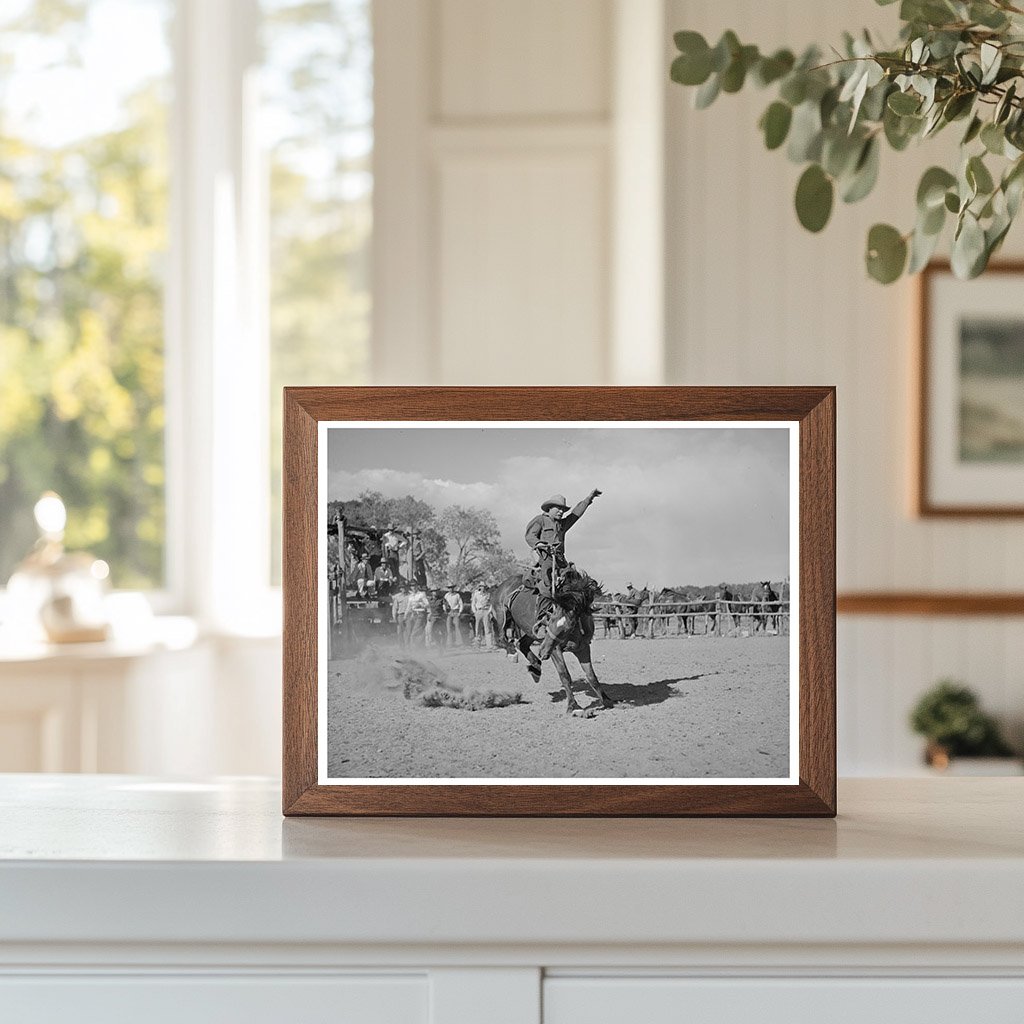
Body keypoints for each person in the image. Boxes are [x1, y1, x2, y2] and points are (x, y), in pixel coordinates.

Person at [524, 488, 602, 638]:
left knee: (578, 584)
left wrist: (588, 499)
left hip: (561, 560)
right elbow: (530, 536)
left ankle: (580, 621)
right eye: (558, 508)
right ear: (549, 508)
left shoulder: (562, 524)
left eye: (563, 509)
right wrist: (539, 543)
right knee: (548, 588)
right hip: (546, 560)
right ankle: (541, 621)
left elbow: (576, 514)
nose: (561, 511)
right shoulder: (540, 520)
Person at [471, 584, 494, 649]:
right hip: (479, 611)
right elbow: (473, 603)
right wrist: (475, 611)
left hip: (486, 611)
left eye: (483, 587)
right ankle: (477, 644)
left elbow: (491, 603)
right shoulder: (476, 594)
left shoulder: (488, 594)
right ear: (479, 587)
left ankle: (489, 645)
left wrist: (489, 611)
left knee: (487, 628)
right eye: (481, 587)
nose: (482, 588)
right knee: (478, 628)